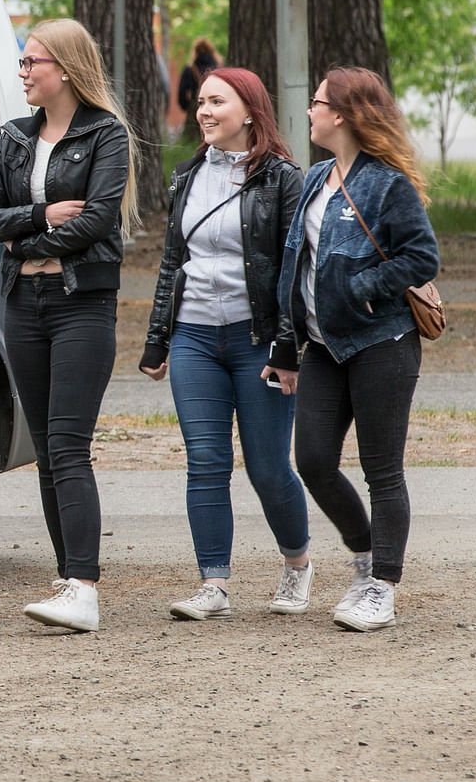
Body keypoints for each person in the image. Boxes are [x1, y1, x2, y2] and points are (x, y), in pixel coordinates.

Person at [0, 18, 135, 633]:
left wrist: (25, 240)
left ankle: (85, 589)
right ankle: (70, 581)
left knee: (69, 446)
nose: (22, 73)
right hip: (25, 304)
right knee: (45, 451)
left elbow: (96, 222)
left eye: (31, 62)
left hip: (80, 305)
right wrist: (37, 220)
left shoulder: (105, 136)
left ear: (64, 68)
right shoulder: (15, 137)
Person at [139, 67, 311, 621]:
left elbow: (292, 270)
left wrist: (289, 348)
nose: (204, 111)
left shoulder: (283, 178)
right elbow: (173, 261)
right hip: (193, 336)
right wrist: (157, 337)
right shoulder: (187, 174)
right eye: (202, 102)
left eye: (217, 102)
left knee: (266, 467)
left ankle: (298, 565)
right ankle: (213, 583)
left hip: (255, 338)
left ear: (249, 111)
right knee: (206, 461)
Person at [276, 67, 440, 632]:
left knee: (382, 471)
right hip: (323, 347)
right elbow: (297, 260)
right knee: (314, 461)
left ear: (341, 114)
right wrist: (287, 337)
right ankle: (366, 554)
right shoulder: (315, 177)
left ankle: (381, 588)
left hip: (381, 343)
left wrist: (363, 290)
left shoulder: (387, 183)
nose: (309, 111)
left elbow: (422, 257)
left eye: (317, 102)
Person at [175, 38, 221, 141]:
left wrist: (187, 107)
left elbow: (182, 92)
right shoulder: (219, 68)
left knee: (191, 140)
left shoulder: (190, 68)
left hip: (196, 108)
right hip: (217, 107)